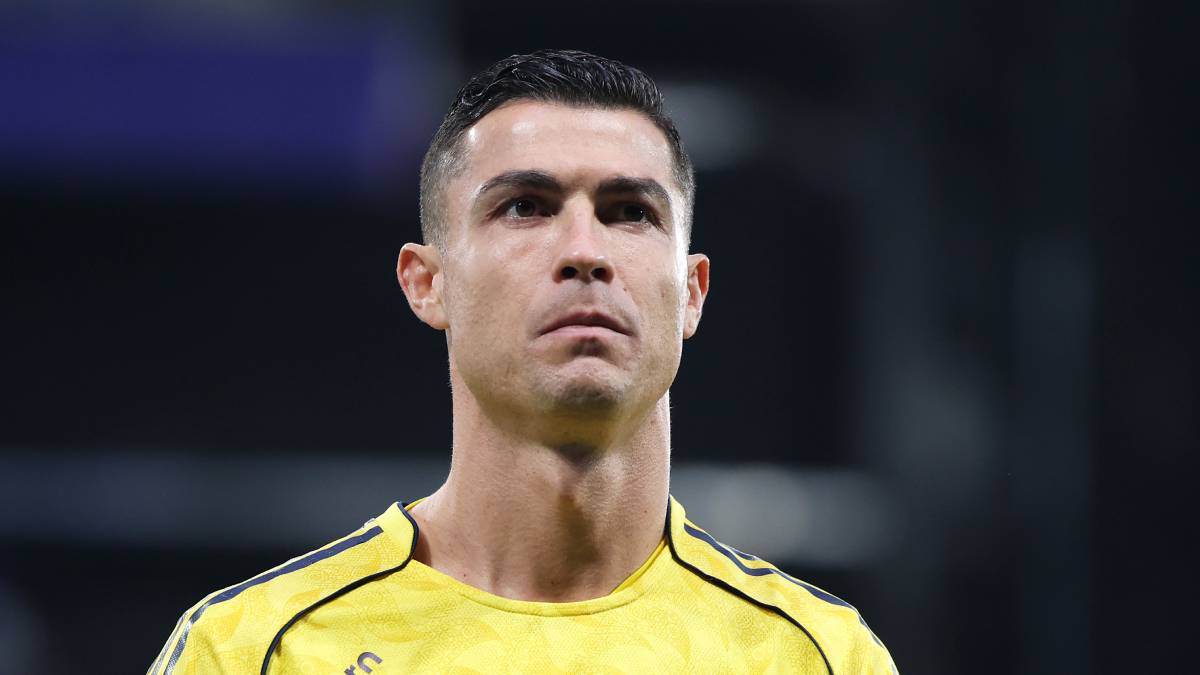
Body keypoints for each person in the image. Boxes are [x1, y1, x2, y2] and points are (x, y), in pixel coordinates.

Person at [147, 49, 897, 675]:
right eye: (526, 206)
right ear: (428, 282)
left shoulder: (817, 658)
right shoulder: (255, 653)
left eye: (630, 212)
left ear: (692, 293)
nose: (584, 252)